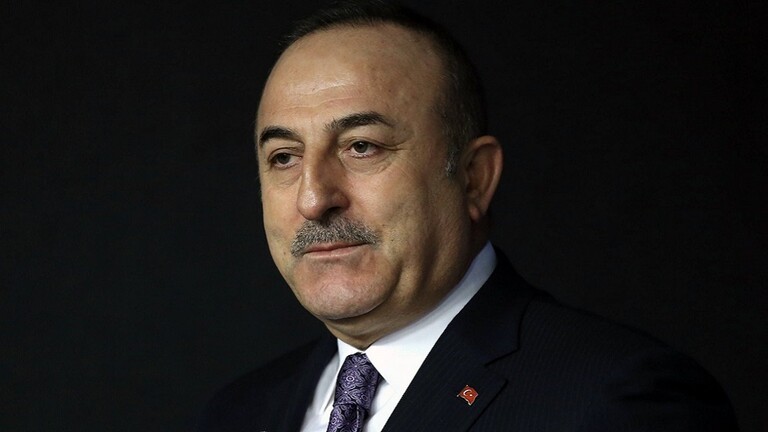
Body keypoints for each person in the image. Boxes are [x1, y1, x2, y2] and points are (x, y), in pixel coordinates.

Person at [197, 1, 739, 431]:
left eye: (362, 147)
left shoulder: (619, 402)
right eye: (284, 158)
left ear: (474, 177)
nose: (314, 198)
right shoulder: (237, 413)